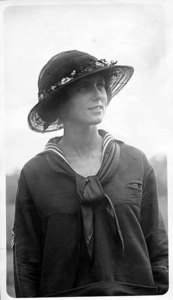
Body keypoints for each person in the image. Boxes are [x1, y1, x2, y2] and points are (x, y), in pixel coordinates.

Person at [12, 50, 168, 297]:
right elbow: (26, 262)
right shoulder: (34, 173)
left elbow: (158, 248)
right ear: (59, 101)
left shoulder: (135, 161)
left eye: (100, 86)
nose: (99, 96)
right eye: (84, 88)